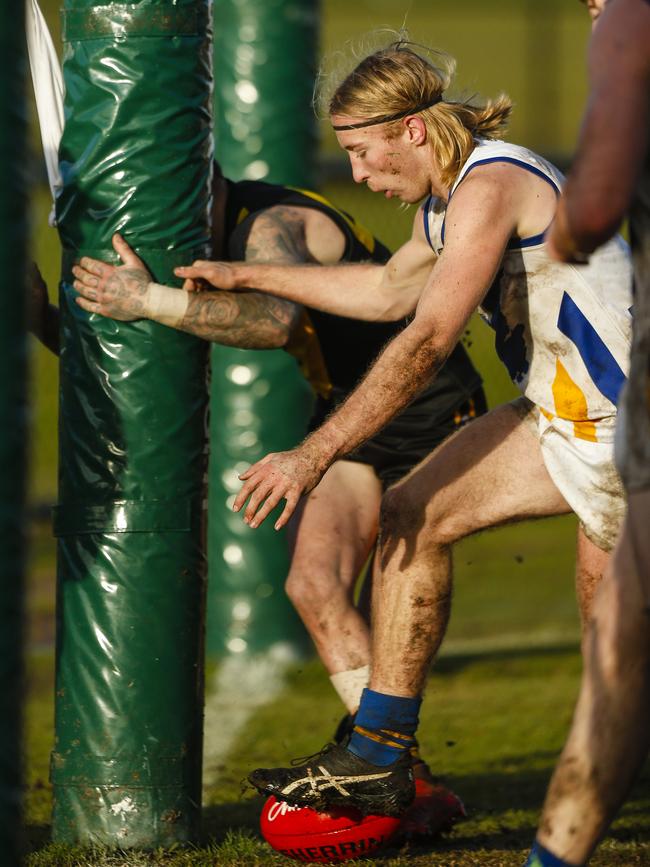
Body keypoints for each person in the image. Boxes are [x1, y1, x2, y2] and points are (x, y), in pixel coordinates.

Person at [163, 39, 633, 817]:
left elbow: (423, 339)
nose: (355, 174)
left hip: (625, 432)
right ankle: (379, 755)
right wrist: (246, 273)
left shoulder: (492, 184)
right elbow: (386, 292)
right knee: (412, 513)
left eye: (360, 151)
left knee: (616, 675)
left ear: (412, 129)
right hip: (565, 418)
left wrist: (314, 451)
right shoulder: (444, 203)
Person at [49, 164, 486, 834]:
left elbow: (273, 321)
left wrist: (149, 300)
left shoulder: (271, 224)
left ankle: (390, 763)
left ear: (205, 177)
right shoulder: (201, 233)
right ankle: (403, 775)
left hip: (427, 407)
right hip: (348, 411)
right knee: (311, 583)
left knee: (395, 610)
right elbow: (153, 345)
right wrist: (47, 318)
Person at [524, 0, 650, 864]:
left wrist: (562, 234)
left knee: (624, 631)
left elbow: (596, 200)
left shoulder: (631, 22)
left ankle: (554, 857)